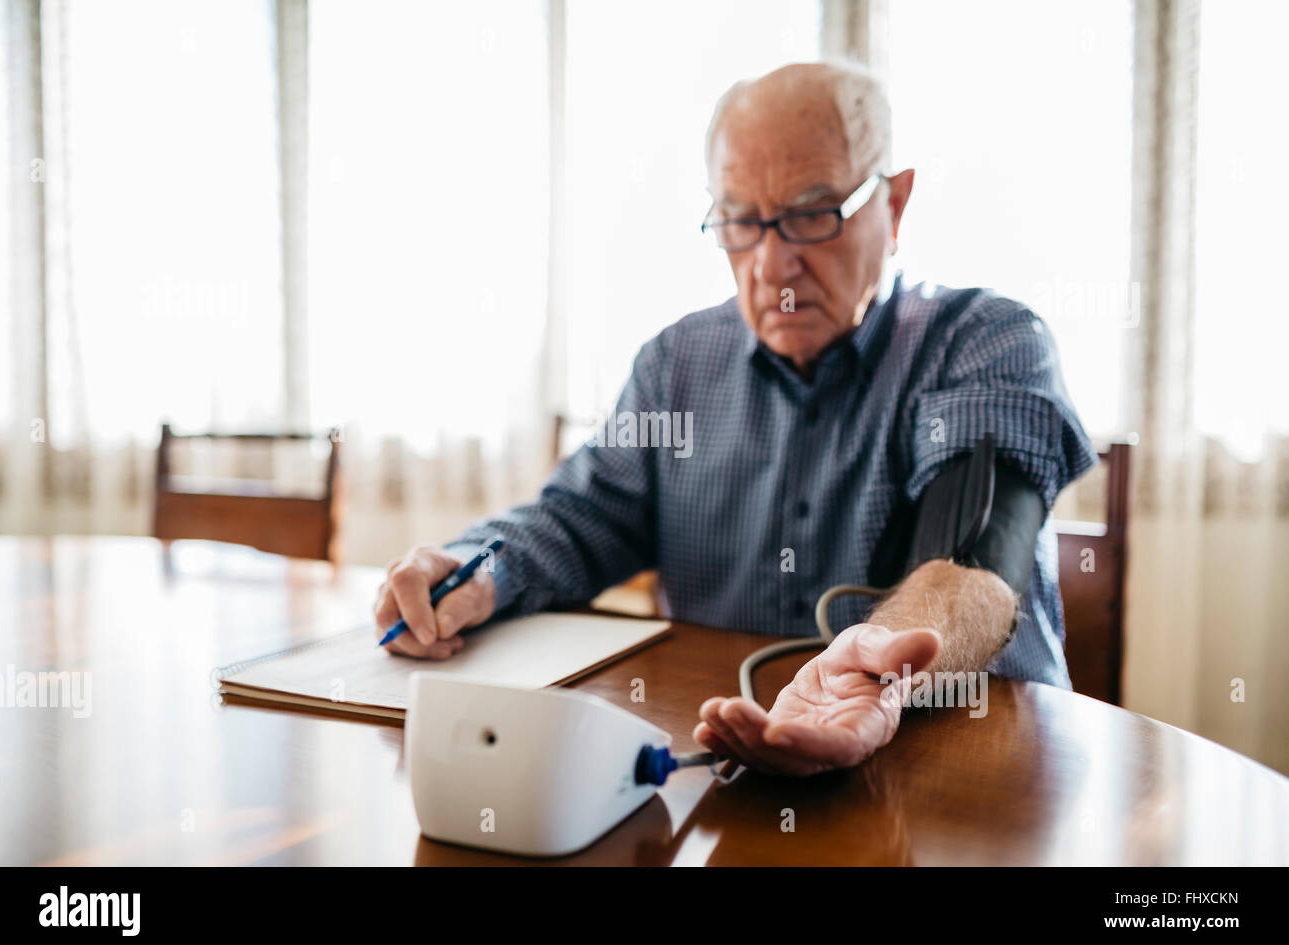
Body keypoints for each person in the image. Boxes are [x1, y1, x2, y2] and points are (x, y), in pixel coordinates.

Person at [374, 61, 1096, 776]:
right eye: (742, 223)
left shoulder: (987, 341)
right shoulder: (676, 365)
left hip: (967, 775)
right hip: (726, 762)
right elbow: (576, 520)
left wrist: (884, 660)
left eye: (813, 216)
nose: (772, 265)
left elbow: (974, 558)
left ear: (895, 205)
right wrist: (475, 569)